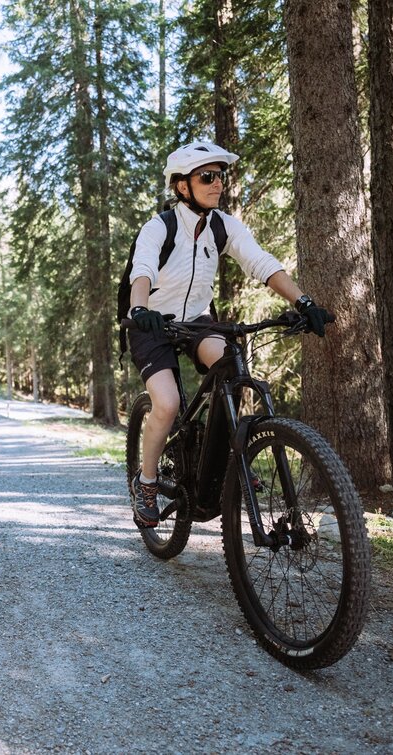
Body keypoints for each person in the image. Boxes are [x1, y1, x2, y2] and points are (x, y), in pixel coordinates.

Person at [126, 141, 331, 528]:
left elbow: (261, 262)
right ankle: (146, 482)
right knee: (167, 404)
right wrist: (139, 309)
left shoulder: (223, 226)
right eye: (207, 176)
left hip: (196, 320)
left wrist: (304, 302)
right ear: (183, 186)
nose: (217, 183)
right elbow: (143, 271)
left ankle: (224, 461)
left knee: (231, 368)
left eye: (220, 175)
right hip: (151, 322)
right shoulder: (160, 227)